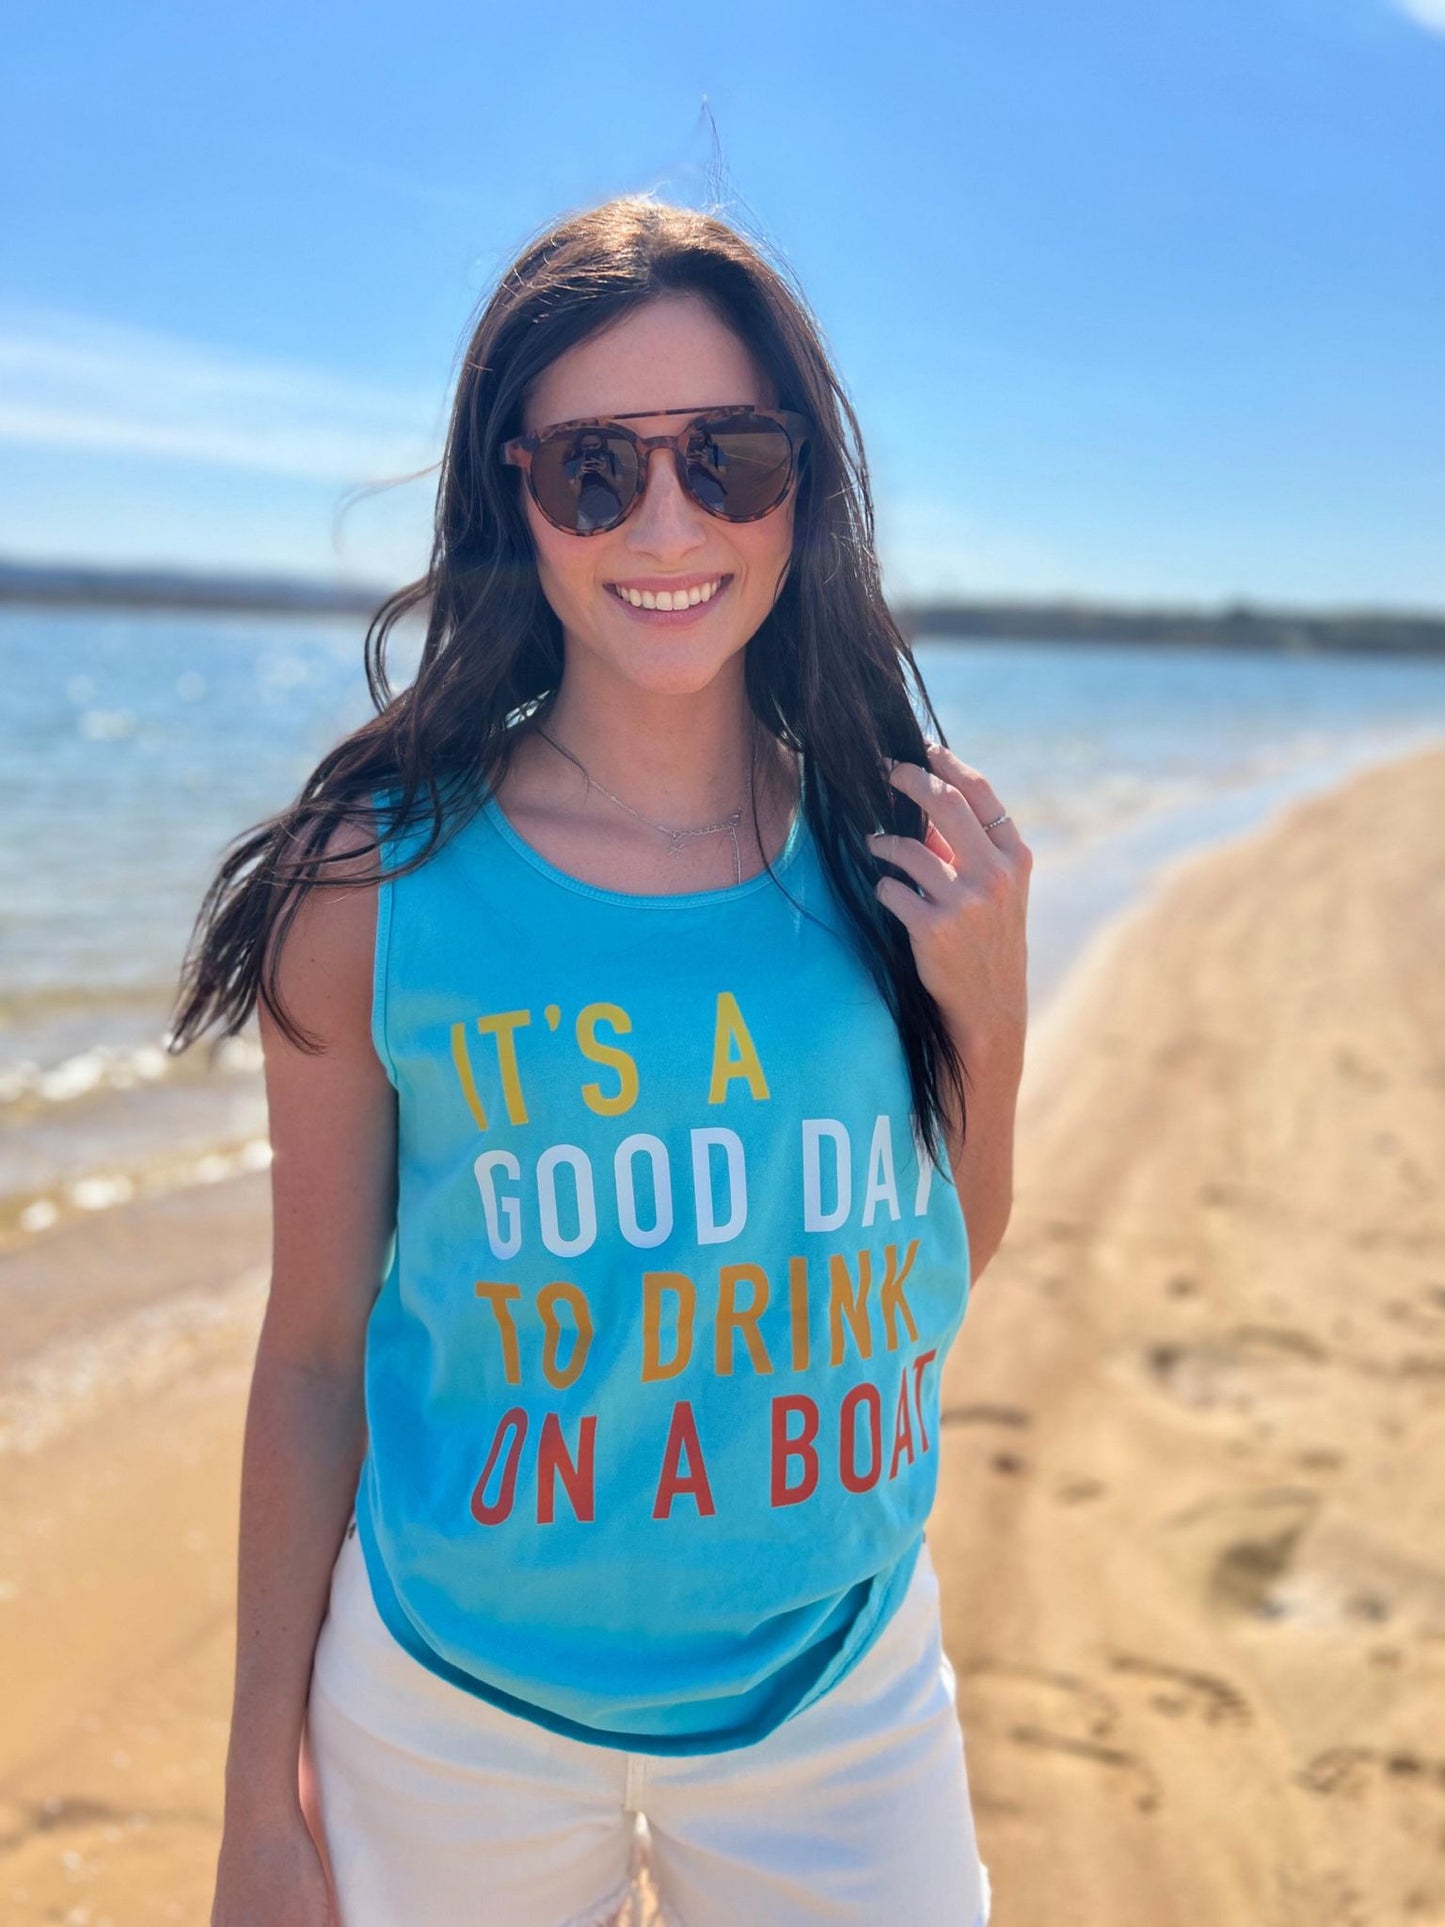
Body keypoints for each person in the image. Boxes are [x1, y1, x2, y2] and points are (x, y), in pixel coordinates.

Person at [174, 193, 1029, 1927]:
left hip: (841, 1697)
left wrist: (990, 1007)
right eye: (594, 469)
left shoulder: (904, 856)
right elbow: (315, 1351)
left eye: (727, 458)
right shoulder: (371, 886)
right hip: (446, 1713)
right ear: (517, 494)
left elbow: (931, 1273)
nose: (665, 522)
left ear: (802, 490)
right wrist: (259, 1795)